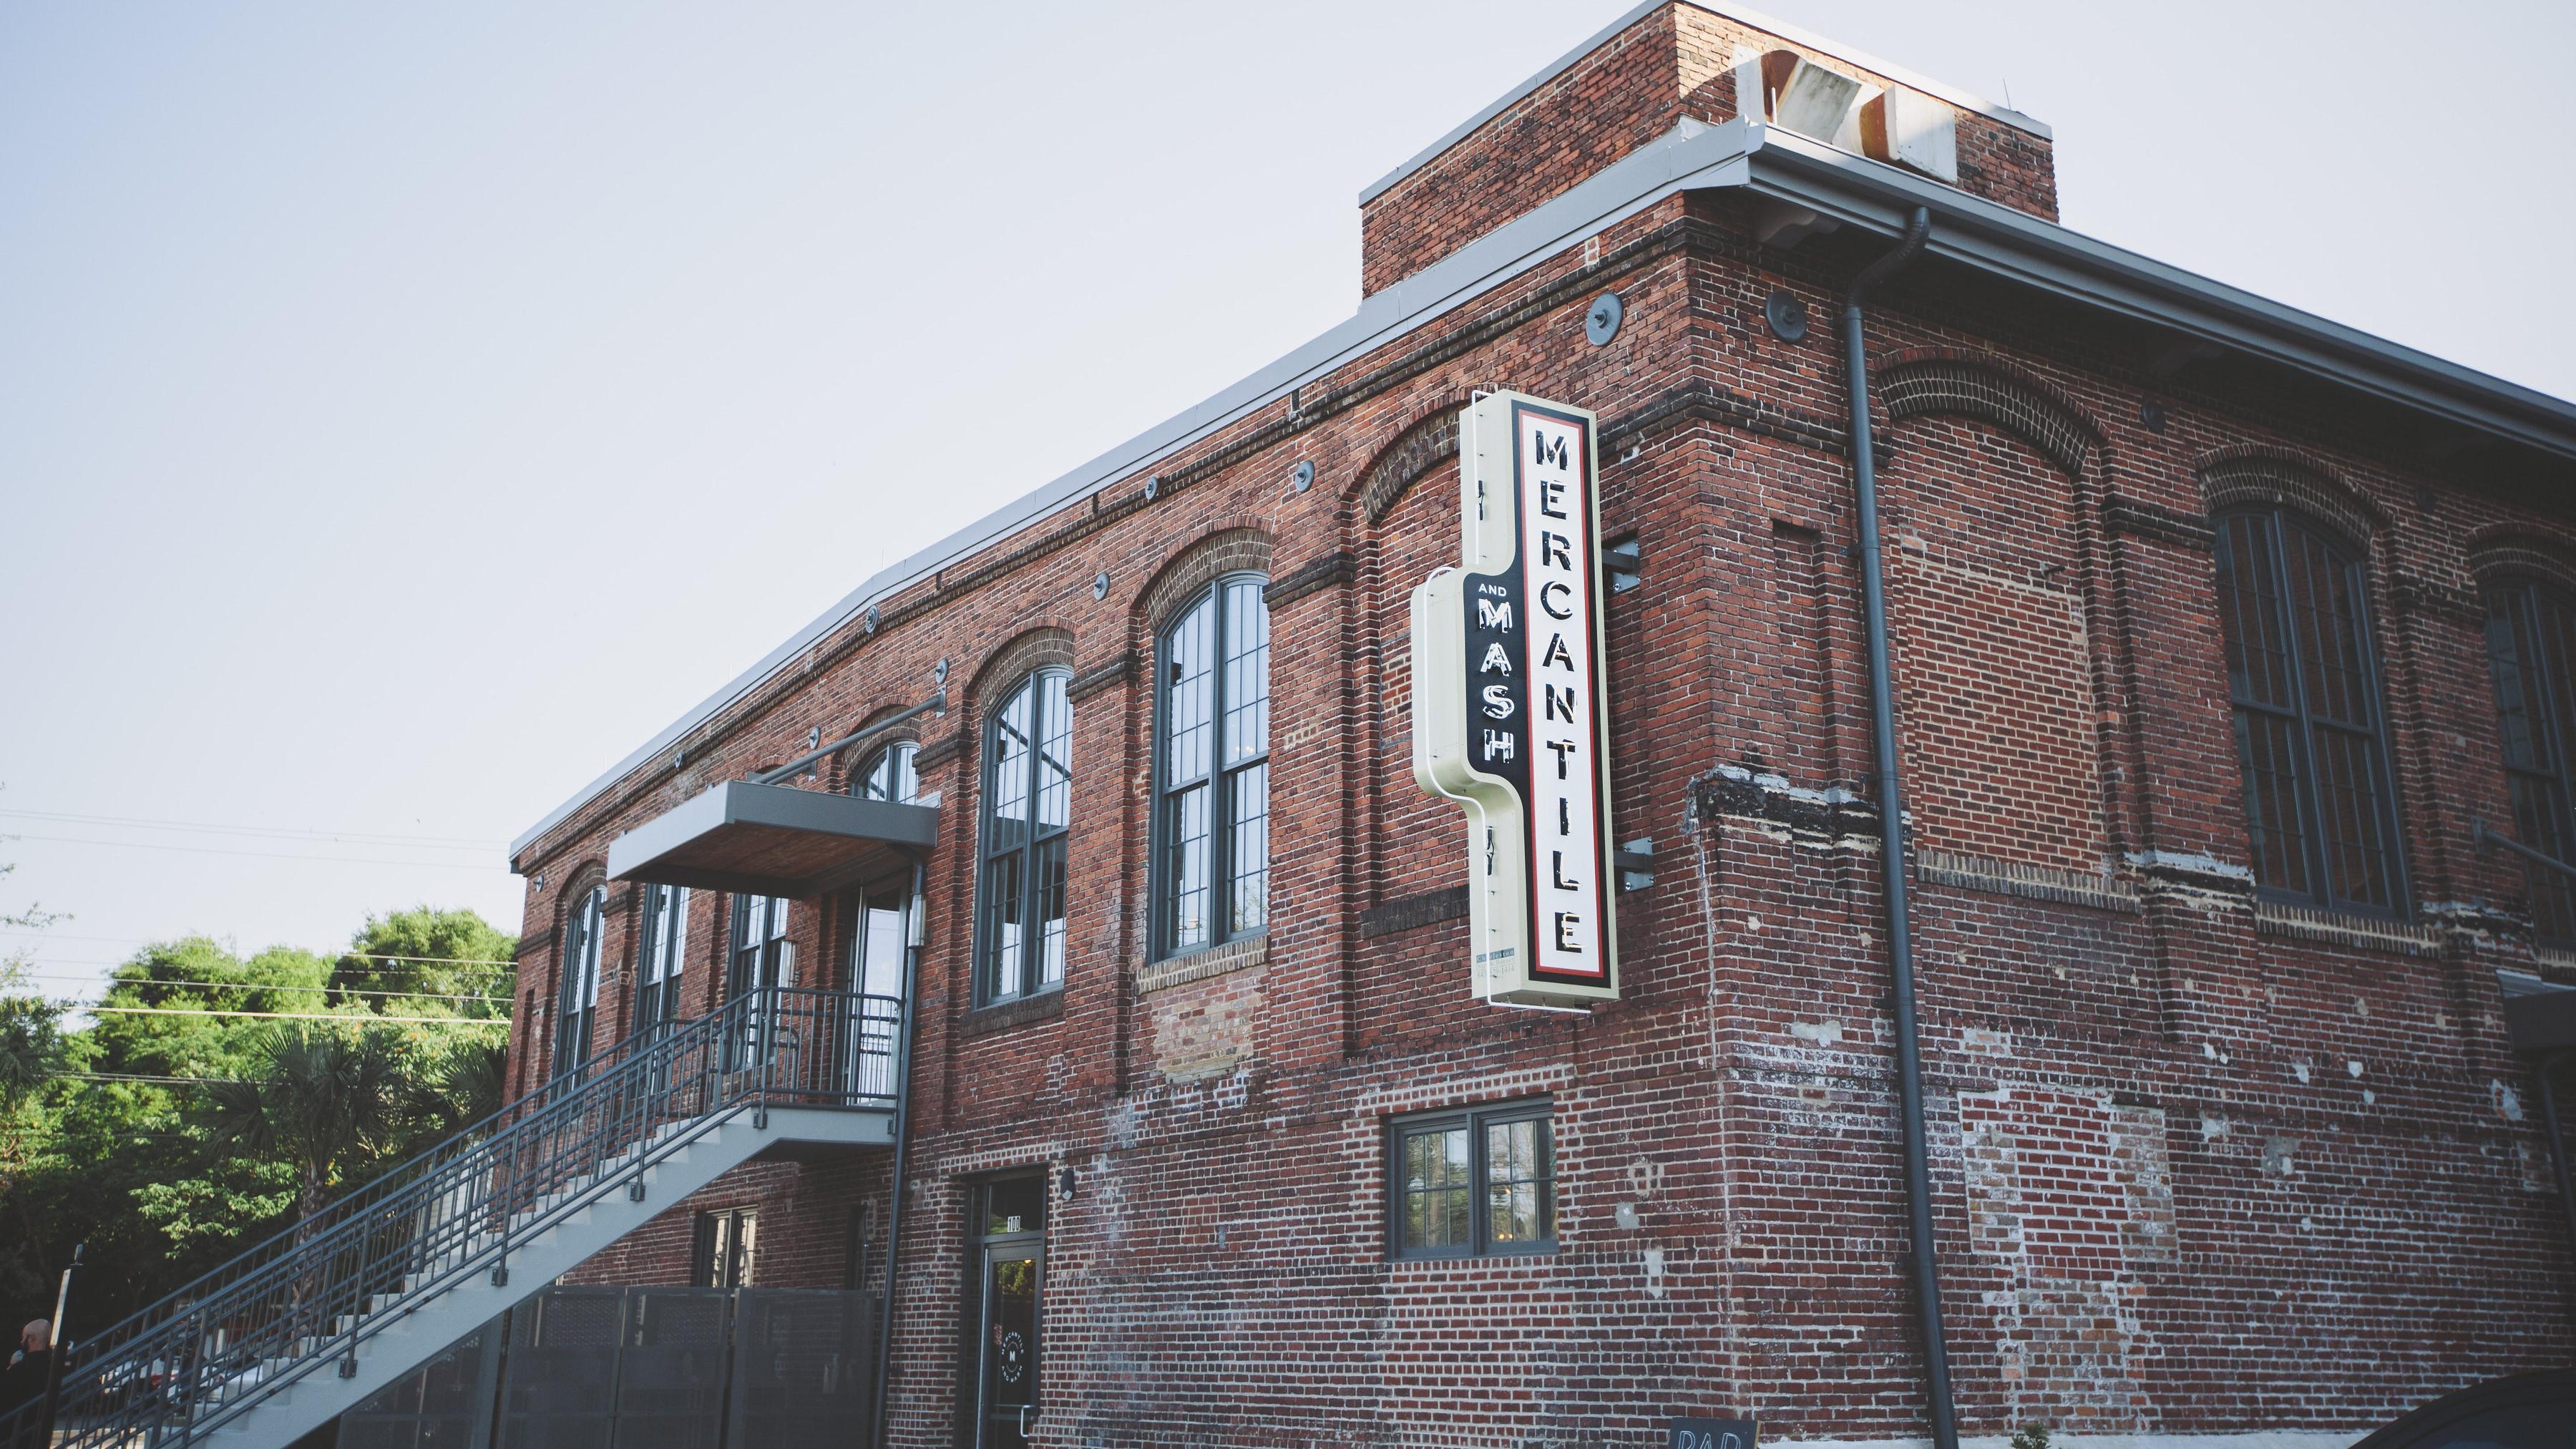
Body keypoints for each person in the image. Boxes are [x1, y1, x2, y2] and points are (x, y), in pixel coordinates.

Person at [0, 1321, 53, 1447]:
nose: (21, 1341)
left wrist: (11, 1368)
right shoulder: (51, 1365)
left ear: (31, 1339)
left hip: (14, 1430)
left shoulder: (21, 1368)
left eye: (24, 1337)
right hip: (36, 1429)